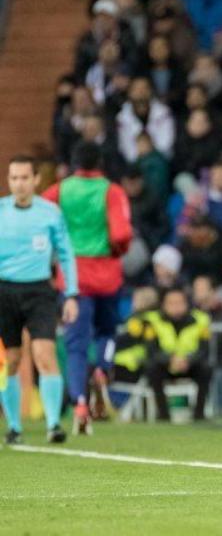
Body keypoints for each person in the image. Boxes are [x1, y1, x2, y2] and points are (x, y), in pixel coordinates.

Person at [42, 142, 132, 435]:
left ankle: (80, 404)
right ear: (100, 162)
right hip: (107, 275)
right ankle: (103, 368)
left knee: (75, 345)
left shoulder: (59, 191)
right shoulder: (112, 191)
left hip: (73, 278)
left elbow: (40, 221)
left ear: (72, 163)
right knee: (107, 331)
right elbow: (121, 233)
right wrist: (116, 251)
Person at [0, 156, 80, 445]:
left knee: (44, 354)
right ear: (9, 181)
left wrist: (71, 294)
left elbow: (67, 254)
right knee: (11, 360)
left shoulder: (50, 213)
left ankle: (53, 424)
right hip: (5, 291)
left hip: (39, 291)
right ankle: (14, 426)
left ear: (35, 180)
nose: (19, 184)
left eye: (24, 178)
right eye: (13, 178)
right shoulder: (1, 211)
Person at [143, 287, 211, 422]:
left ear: (186, 303)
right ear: (163, 305)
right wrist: (170, 360)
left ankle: (199, 413)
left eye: (179, 303)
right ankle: (163, 414)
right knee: (152, 369)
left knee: (206, 368)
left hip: (190, 364)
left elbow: (204, 349)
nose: (176, 307)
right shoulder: (152, 320)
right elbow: (151, 350)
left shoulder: (201, 319)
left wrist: (188, 361)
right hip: (165, 364)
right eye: (171, 303)